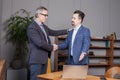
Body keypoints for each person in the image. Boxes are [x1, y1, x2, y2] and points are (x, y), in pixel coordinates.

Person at [27, 6, 68, 80]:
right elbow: (40, 43)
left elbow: (54, 32)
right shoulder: (32, 27)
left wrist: (67, 31)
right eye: (45, 15)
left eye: (47, 15)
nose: (46, 17)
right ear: (38, 15)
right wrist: (52, 47)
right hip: (36, 60)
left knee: (42, 79)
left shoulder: (43, 26)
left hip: (44, 59)